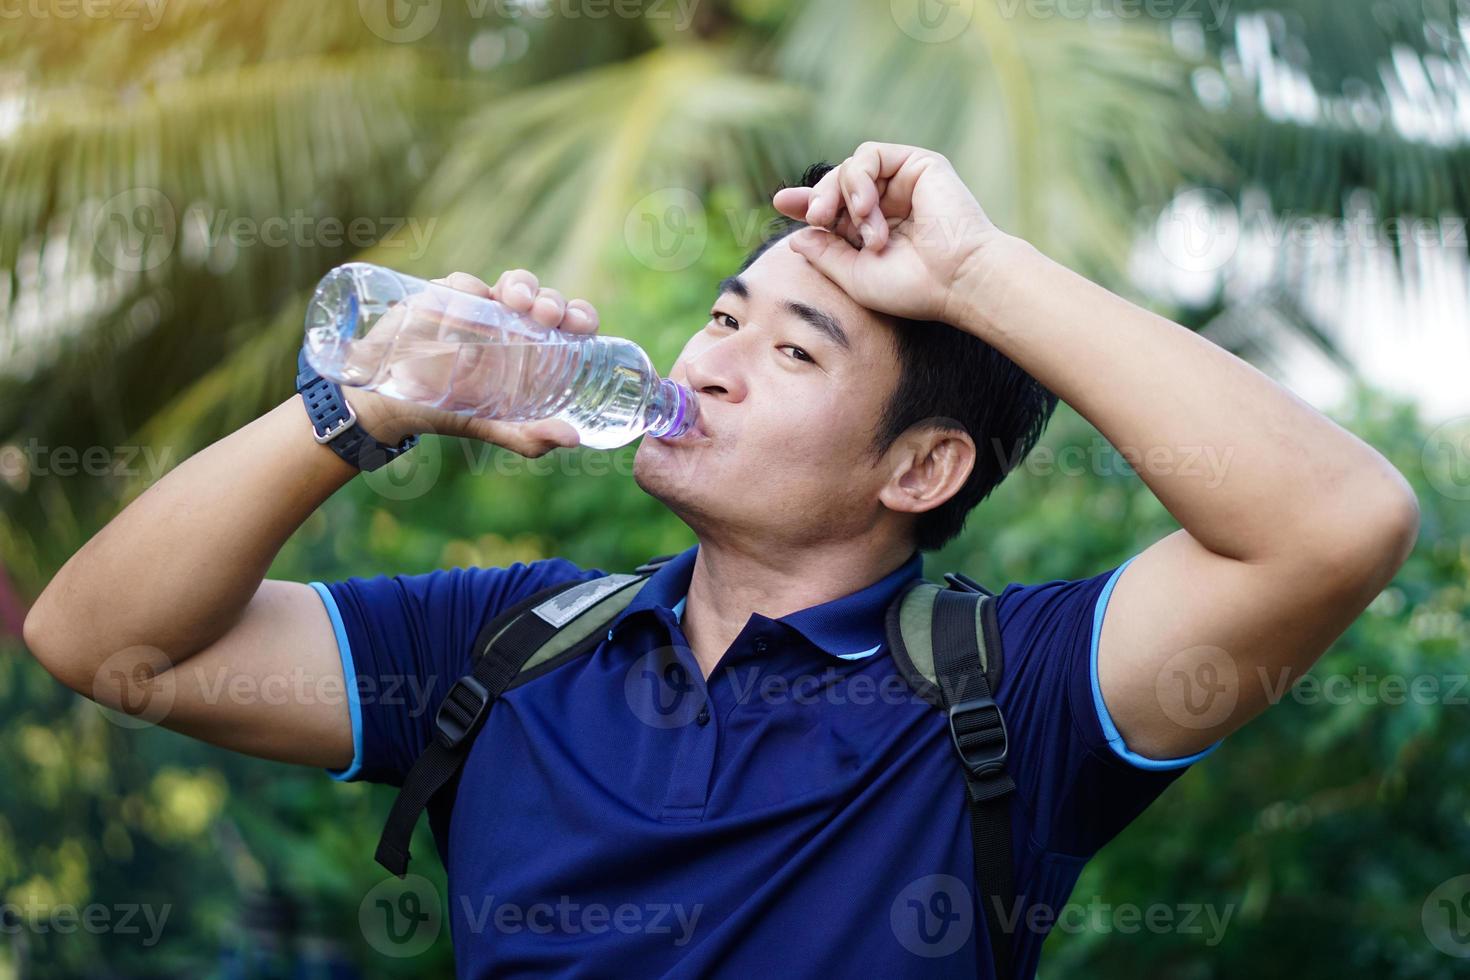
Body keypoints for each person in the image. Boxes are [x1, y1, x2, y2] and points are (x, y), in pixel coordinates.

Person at [23, 143, 1419, 978]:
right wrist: (371, 404)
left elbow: (1334, 523)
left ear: (919, 469)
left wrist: (972, 272)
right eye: (724, 314)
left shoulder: (1019, 695)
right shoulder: (514, 643)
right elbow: (103, 642)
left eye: (793, 349)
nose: (711, 364)